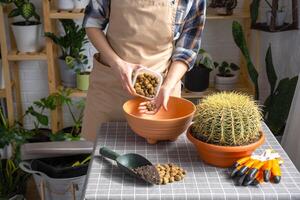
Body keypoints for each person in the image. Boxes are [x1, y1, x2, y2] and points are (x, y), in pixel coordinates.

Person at [82, 0, 206, 141]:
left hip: (161, 94)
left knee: (160, 158)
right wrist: (117, 64)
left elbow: (187, 49)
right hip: (111, 88)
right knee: (102, 155)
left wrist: (167, 86)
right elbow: (92, 23)